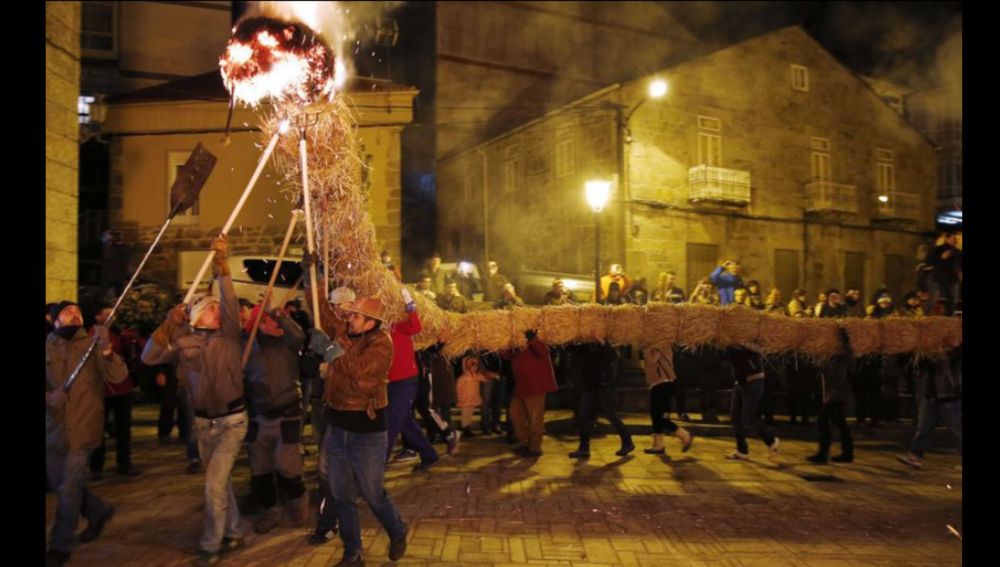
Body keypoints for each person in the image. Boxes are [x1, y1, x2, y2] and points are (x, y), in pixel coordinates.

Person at [142, 236, 248, 566]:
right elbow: (148, 358)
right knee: (221, 483)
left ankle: (210, 546)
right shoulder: (182, 338)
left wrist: (221, 263)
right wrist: (167, 325)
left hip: (232, 421)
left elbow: (229, 299)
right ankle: (234, 531)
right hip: (203, 423)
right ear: (197, 317)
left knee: (213, 484)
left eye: (217, 309)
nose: (218, 311)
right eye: (211, 309)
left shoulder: (228, 335)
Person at [308, 285, 409, 565]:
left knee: (372, 493)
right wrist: (311, 277)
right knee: (341, 495)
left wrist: (331, 353)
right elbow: (321, 311)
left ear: (371, 323)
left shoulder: (381, 343)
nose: (348, 319)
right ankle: (353, 553)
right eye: (349, 315)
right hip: (338, 428)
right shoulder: (345, 334)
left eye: (355, 316)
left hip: (367, 433)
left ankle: (398, 530)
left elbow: (358, 370)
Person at [45, 301, 128, 567]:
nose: (75, 314)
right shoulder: (47, 346)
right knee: (63, 485)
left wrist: (106, 350)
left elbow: (118, 376)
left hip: (83, 428)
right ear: (54, 320)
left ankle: (60, 545)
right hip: (53, 430)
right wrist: (48, 397)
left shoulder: (92, 345)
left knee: (68, 490)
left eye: (78, 311)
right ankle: (98, 511)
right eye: (68, 311)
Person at [242, 303, 311, 534]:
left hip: (288, 410)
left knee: (286, 463)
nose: (278, 324)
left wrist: (278, 313)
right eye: (272, 320)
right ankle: (271, 510)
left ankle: (298, 500)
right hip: (258, 414)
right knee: (260, 468)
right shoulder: (247, 346)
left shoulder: (287, 344)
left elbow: (298, 334)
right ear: (260, 325)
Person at [386, 288, 451, 471]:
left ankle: (376, 468)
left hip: (405, 380)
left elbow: (416, 327)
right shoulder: (380, 327)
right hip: (389, 380)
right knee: (405, 422)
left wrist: (410, 305)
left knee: (391, 424)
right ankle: (429, 455)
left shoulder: (398, 324)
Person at [87, 304, 141, 479]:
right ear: (97, 317)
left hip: (123, 387)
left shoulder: (120, 333)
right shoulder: (91, 334)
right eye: (107, 313)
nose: (112, 316)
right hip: (103, 389)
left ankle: (124, 464)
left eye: (113, 313)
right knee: (99, 429)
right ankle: (96, 466)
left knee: (124, 428)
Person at [897, 338, 962, 469]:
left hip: (949, 396)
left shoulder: (954, 353)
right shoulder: (928, 354)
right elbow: (911, 364)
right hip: (930, 396)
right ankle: (915, 457)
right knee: (923, 429)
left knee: (958, 430)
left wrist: (956, 346)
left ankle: (915, 456)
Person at [568, 340, 634, 459]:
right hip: (590, 385)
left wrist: (601, 341)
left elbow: (612, 356)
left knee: (610, 414)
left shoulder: (604, 343)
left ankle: (627, 442)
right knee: (584, 415)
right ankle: (584, 448)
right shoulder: (585, 344)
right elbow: (571, 350)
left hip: (604, 384)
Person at [504, 330, 557, 458]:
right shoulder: (517, 342)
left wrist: (532, 339)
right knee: (515, 414)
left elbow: (544, 352)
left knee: (535, 418)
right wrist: (507, 346)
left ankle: (535, 448)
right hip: (521, 385)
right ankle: (524, 443)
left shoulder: (540, 337)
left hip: (535, 385)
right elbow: (506, 356)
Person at [724, 342, 779, 461]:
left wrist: (741, 342)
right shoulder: (728, 342)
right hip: (740, 383)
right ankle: (742, 451)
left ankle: (771, 440)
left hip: (753, 381)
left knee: (748, 417)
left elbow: (762, 349)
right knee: (735, 417)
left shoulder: (748, 335)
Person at [807, 329, 854, 464]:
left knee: (823, 421)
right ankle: (847, 453)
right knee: (840, 423)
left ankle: (823, 454)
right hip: (834, 392)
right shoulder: (836, 353)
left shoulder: (839, 354)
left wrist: (830, 395)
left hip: (836, 393)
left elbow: (837, 375)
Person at [642, 344, 694, 456]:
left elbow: (651, 361)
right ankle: (658, 445)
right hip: (656, 383)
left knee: (659, 416)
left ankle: (684, 435)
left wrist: (647, 349)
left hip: (663, 383)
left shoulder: (661, 346)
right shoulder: (656, 345)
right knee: (655, 415)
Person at [456, 355, 498, 438]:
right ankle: (465, 428)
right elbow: (458, 389)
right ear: (467, 367)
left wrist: (491, 376)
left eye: (475, 367)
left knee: (470, 413)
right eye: (472, 367)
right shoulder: (462, 378)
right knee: (465, 414)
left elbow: (484, 378)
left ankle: (467, 427)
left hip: (472, 398)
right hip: (465, 399)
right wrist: (459, 398)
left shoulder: (476, 376)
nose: (474, 369)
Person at [924, 232, 962, 316]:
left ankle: (949, 318)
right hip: (938, 278)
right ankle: (925, 317)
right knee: (932, 299)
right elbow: (930, 262)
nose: (955, 241)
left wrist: (960, 273)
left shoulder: (958, 252)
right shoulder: (938, 249)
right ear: (947, 239)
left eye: (957, 239)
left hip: (952, 279)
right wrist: (942, 258)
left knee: (953, 300)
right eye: (954, 238)